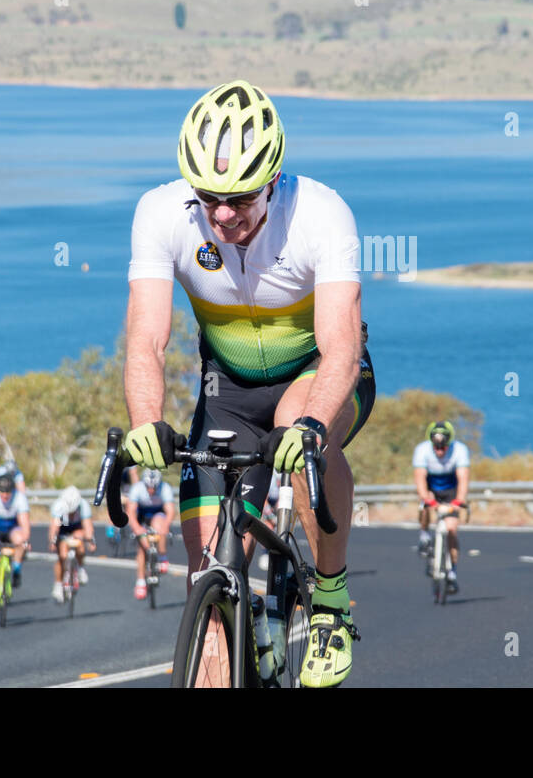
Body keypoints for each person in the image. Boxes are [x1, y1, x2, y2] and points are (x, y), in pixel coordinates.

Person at [122, 79, 374, 687]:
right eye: (209, 198)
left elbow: (342, 347)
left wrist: (313, 423)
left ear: (274, 180)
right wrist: (145, 422)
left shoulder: (321, 213)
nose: (224, 214)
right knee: (205, 570)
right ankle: (235, 622)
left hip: (318, 374)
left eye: (241, 199)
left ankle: (331, 603)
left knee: (299, 437)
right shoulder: (161, 214)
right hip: (227, 391)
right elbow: (145, 339)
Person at [413, 420, 469, 593]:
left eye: (443, 447)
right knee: (424, 507)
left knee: (452, 529)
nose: (439, 451)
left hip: (451, 490)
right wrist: (427, 499)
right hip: (431, 489)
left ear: (449, 444)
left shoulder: (460, 450)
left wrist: (459, 501)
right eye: (436, 447)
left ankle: (451, 573)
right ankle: (424, 535)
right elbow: (420, 479)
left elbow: (463, 479)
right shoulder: (422, 450)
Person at [126, 469, 175, 599]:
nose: (151, 490)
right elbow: (130, 512)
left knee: (160, 525)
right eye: (149, 487)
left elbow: (170, 511)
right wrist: (137, 528)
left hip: (158, 514)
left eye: (154, 488)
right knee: (142, 549)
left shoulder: (165, 488)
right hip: (142, 517)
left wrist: (166, 526)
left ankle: (162, 556)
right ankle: (141, 581)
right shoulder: (137, 489)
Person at [0, 473, 31, 595]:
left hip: (11, 529)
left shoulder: (19, 498)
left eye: (8, 492)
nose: (5, 495)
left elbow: (25, 523)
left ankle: (17, 567)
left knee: (20, 540)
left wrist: (25, 540)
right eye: (2, 492)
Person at [49, 486, 95, 603]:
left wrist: (90, 540)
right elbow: (54, 528)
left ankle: (80, 568)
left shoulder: (83, 506)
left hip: (77, 528)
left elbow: (87, 526)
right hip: (63, 529)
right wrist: (53, 541)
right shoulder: (58, 506)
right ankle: (58, 584)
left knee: (80, 545)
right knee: (62, 556)